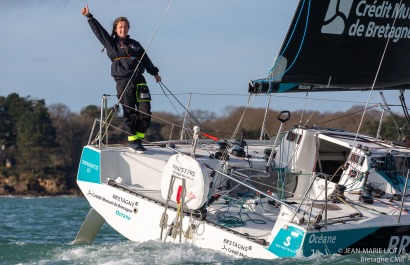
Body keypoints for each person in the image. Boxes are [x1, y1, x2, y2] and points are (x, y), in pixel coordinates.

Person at [81, 4, 161, 153]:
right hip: (123, 81)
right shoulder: (112, 44)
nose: (123, 30)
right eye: (120, 27)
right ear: (116, 30)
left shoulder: (136, 45)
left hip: (140, 81)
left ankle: (139, 139)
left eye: (125, 27)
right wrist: (89, 17)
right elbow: (99, 32)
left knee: (145, 112)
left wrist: (154, 72)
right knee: (129, 112)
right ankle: (132, 141)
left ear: (128, 29)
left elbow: (146, 59)